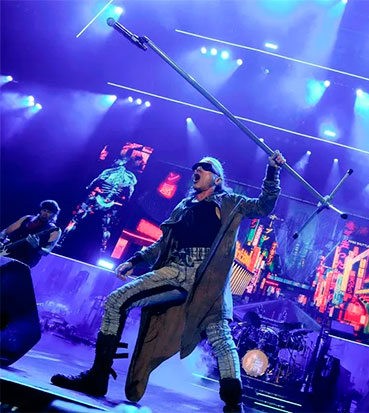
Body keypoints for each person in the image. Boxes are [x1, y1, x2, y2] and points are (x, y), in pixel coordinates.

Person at [51, 151, 286, 412]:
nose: (197, 169)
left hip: (209, 278)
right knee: (117, 301)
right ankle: (98, 376)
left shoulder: (230, 202)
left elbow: (264, 205)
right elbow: (164, 243)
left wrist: (273, 171)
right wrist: (136, 259)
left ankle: (233, 405)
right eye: (196, 166)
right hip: (176, 269)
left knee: (220, 336)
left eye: (205, 167)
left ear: (218, 180)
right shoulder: (184, 206)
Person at [0, 200, 61, 267]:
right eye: (44, 210)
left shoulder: (54, 230)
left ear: (54, 215)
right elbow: (5, 232)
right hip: (7, 253)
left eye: (49, 212)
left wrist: (37, 247)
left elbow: (46, 252)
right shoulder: (27, 219)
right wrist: (1, 241)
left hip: (24, 261)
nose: (45, 213)